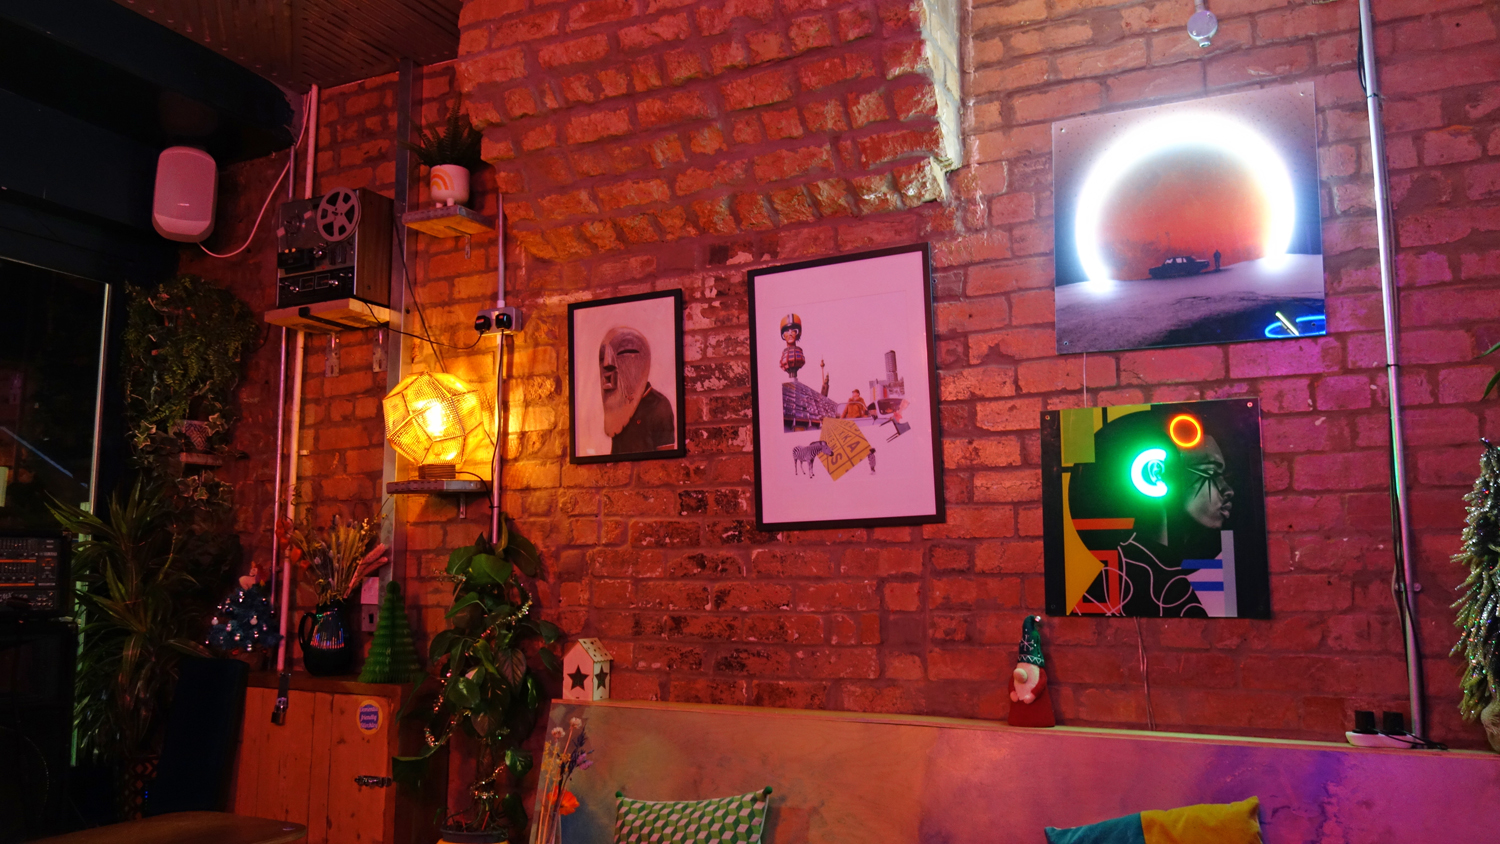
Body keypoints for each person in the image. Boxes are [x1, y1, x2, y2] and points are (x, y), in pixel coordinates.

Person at [599, 326, 675, 454]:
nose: (607, 362)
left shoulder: (658, 405)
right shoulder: (619, 404)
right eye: (602, 356)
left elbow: (666, 458)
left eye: (623, 352)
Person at [778, 314, 805, 381]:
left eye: (793, 330)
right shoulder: (784, 357)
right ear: (783, 335)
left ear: (798, 333)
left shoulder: (799, 354)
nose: (790, 334)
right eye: (786, 331)